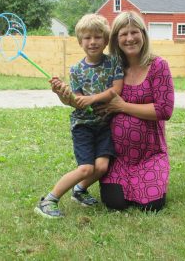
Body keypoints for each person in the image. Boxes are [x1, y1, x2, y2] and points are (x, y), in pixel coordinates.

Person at [34, 14, 124, 218]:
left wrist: (91, 99)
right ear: (80, 41)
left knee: (101, 166)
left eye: (97, 37)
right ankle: (48, 200)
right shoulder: (76, 70)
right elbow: (76, 101)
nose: (92, 42)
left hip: (104, 125)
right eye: (87, 38)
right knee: (85, 168)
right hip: (83, 125)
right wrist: (62, 93)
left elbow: (115, 90)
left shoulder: (114, 63)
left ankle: (79, 191)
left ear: (106, 39)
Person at [98, 11, 175, 212]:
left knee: (151, 206)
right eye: (123, 34)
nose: (130, 38)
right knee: (114, 203)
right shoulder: (112, 68)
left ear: (143, 34)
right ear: (116, 39)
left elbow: (164, 110)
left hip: (150, 155)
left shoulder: (158, 66)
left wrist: (123, 106)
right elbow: (91, 97)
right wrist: (66, 95)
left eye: (134, 32)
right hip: (119, 158)